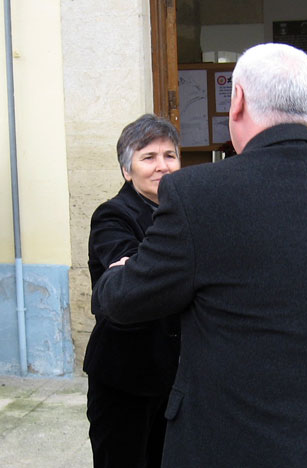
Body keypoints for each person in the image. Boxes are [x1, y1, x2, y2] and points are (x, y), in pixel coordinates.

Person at [92, 43, 307, 467]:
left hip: (238, 442)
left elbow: (125, 299)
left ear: (237, 100)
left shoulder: (197, 194)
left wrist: (117, 273)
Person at [83, 114, 181, 468]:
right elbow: (130, 282)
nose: (162, 166)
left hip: (174, 379)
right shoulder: (112, 216)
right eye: (149, 157)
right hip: (125, 377)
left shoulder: (184, 213)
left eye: (169, 155)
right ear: (128, 170)